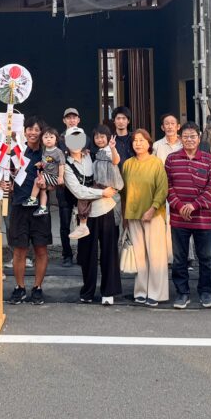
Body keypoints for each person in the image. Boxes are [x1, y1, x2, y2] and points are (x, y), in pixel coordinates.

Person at [63, 127, 122, 305]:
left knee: (109, 251)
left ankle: (108, 292)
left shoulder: (92, 155)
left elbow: (113, 163)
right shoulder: (65, 165)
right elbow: (78, 191)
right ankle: (88, 291)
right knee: (87, 254)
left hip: (105, 209)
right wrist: (102, 193)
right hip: (84, 214)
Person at [165, 121, 211, 309]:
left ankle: (205, 292)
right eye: (186, 136)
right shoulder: (171, 159)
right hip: (178, 218)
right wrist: (180, 206)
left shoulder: (209, 160)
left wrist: (194, 205)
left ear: (199, 138)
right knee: (179, 259)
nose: (189, 139)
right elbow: (167, 186)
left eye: (193, 136)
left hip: (203, 219)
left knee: (206, 258)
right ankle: (182, 293)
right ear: (180, 138)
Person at [6, 116, 52, 305]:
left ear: (42, 132)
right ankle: (20, 287)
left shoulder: (48, 153)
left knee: (41, 249)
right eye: (29, 129)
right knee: (19, 250)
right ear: (24, 132)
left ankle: (37, 288)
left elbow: (56, 181)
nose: (33, 132)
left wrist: (46, 184)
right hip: (19, 206)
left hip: (40, 208)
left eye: (36, 129)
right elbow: (7, 178)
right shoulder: (16, 152)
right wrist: (6, 185)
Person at [121, 128, 168, 306]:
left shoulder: (156, 163)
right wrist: (125, 216)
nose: (138, 143)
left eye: (142, 140)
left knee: (156, 255)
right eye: (135, 140)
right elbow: (124, 192)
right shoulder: (128, 164)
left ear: (149, 143)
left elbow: (162, 189)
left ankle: (156, 293)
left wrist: (152, 209)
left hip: (153, 215)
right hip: (133, 215)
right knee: (139, 256)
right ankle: (141, 291)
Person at [71, 125, 120, 239]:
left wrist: (113, 148)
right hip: (101, 184)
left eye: (102, 137)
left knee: (83, 197)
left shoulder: (109, 150)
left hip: (106, 185)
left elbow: (116, 160)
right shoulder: (98, 152)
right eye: (97, 137)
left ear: (108, 137)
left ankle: (82, 226)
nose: (99, 140)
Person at [57, 107, 82, 265]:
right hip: (64, 187)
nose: (72, 120)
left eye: (74, 117)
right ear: (64, 120)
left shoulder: (84, 137)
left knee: (82, 221)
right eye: (69, 118)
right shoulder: (58, 139)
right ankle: (67, 254)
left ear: (78, 120)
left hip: (80, 186)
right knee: (65, 223)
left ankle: (82, 253)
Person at [24, 126, 64, 217]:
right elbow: (47, 161)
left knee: (37, 180)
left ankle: (33, 199)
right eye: (46, 137)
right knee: (43, 189)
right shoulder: (45, 150)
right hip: (47, 175)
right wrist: (41, 163)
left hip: (54, 176)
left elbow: (61, 164)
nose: (48, 139)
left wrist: (61, 177)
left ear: (56, 140)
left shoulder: (58, 152)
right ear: (42, 139)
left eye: (51, 137)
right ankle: (43, 207)